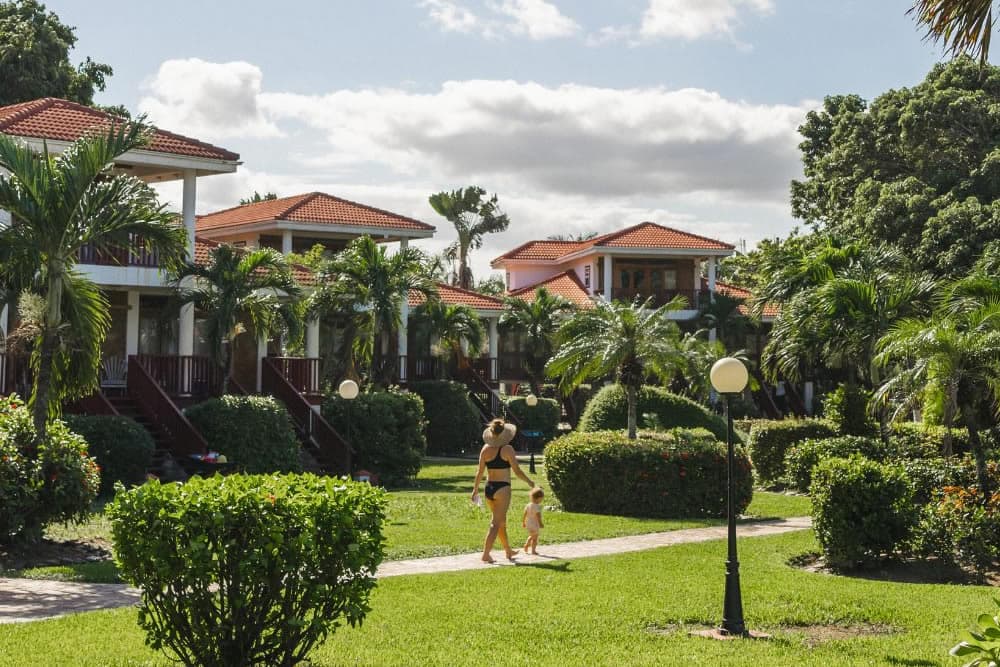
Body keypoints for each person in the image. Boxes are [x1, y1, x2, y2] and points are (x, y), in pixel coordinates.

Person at [472, 418, 536, 563]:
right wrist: (530, 482)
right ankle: (486, 554)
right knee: (495, 523)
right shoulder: (507, 449)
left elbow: (480, 472)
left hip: (489, 488)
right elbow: (517, 471)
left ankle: (508, 550)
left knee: (501, 521)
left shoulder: (485, 449)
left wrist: (475, 490)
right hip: (503, 488)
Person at [522, 487, 544, 555]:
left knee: (532, 535)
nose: (541, 500)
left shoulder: (528, 505)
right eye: (541, 499)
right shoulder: (537, 507)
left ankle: (526, 545)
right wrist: (540, 523)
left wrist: (523, 522)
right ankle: (533, 551)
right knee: (535, 538)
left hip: (528, 523)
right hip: (534, 524)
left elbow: (525, 514)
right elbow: (538, 516)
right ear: (539, 498)